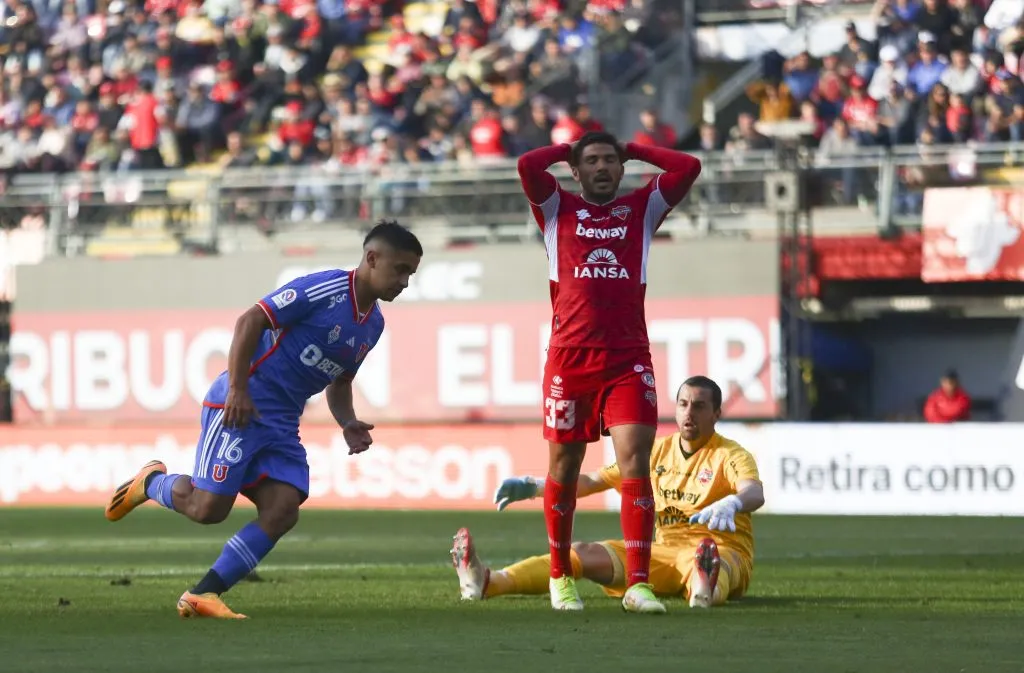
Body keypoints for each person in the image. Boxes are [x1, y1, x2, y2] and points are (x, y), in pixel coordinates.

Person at [104, 220, 423, 619]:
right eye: (400, 270)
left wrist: (348, 421)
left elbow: (340, 383)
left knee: (283, 508)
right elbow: (250, 321)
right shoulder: (323, 289)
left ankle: (204, 594)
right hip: (243, 405)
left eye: (411, 273)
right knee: (208, 510)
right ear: (372, 258)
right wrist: (237, 388)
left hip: (283, 421)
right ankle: (151, 482)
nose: (405, 282)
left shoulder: (372, 326)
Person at [513, 132, 701, 613]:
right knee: (564, 468)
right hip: (570, 358)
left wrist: (636, 148)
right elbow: (527, 165)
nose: (602, 167)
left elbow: (688, 168)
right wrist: (567, 149)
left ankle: (638, 586)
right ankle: (560, 577)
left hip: (628, 358)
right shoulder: (557, 209)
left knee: (635, 462)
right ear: (576, 171)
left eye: (610, 161)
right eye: (591, 161)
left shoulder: (642, 210)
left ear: (622, 170)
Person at [451, 376, 765, 608]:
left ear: (716, 414)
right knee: (582, 551)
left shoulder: (730, 454)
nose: (688, 413)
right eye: (683, 404)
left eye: (699, 406)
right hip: (660, 555)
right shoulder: (656, 452)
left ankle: (703, 587)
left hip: (725, 549)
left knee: (714, 559)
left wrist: (735, 501)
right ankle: (489, 581)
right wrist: (534, 487)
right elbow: (589, 482)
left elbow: (754, 492)